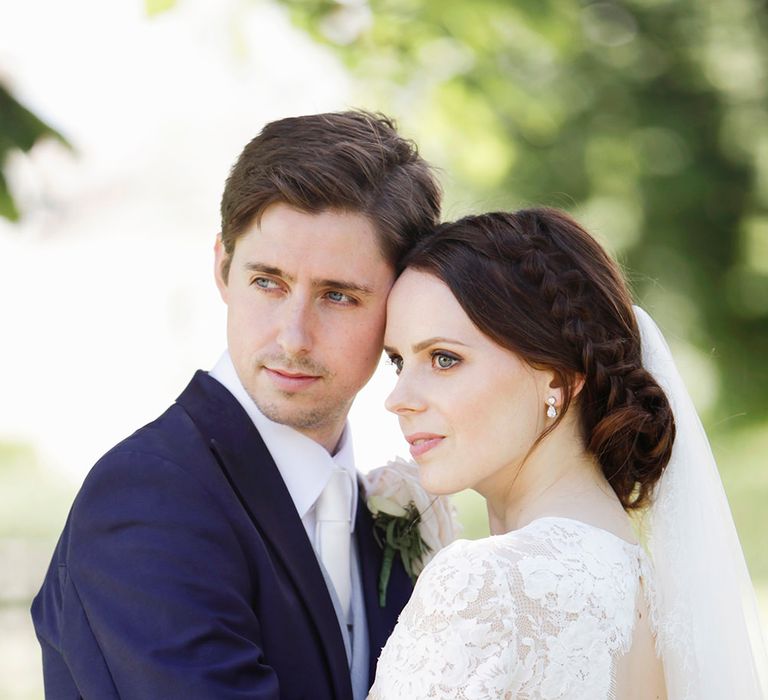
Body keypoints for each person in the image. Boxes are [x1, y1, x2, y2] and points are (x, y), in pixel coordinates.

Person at [31, 110, 443, 699]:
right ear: (223, 268)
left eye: (338, 296)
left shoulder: (378, 507)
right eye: (267, 282)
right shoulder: (149, 500)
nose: (293, 336)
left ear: (400, 305)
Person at [371, 208, 768, 699]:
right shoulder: (662, 601)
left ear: (557, 380)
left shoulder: (486, 584)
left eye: (444, 358)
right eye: (397, 362)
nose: (399, 398)